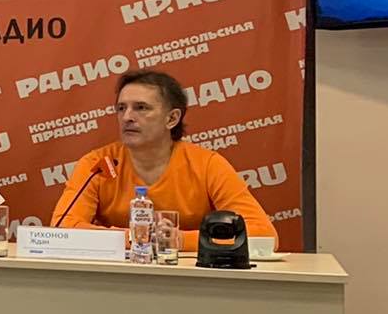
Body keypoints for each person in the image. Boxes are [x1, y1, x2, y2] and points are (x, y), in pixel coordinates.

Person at [49, 68, 276, 253]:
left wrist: (179, 240)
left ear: (172, 118)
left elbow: (264, 235)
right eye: (121, 108)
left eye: (141, 108)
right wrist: (139, 237)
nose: (127, 117)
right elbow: (63, 229)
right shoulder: (98, 163)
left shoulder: (207, 164)